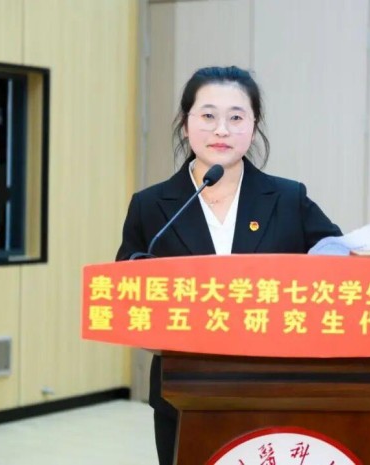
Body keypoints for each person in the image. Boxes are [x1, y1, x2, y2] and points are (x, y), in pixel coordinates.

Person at [115, 65, 342, 465]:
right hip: (183, 392)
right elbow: (125, 292)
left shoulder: (289, 199)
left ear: (253, 127)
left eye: (236, 117)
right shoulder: (151, 206)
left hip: (273, 392)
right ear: (186, 123)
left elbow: (340, 262)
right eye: (208, 115)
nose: (221, 130)